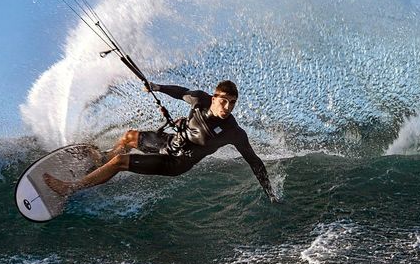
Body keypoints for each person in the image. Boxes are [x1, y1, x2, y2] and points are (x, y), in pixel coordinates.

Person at [44, 79, 279, 202]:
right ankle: (102, 160)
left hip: (176, 163)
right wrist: (156, 87)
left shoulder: (233, 132)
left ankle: (70, 188)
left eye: (233, 103)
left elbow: (254, 162)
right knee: (129, 137)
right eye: (224, 101)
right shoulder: (200, 100)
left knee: (121, 162)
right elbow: (181, 92)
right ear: (214, 96)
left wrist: (270, 192)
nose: (227, 107)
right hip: (169, 143)